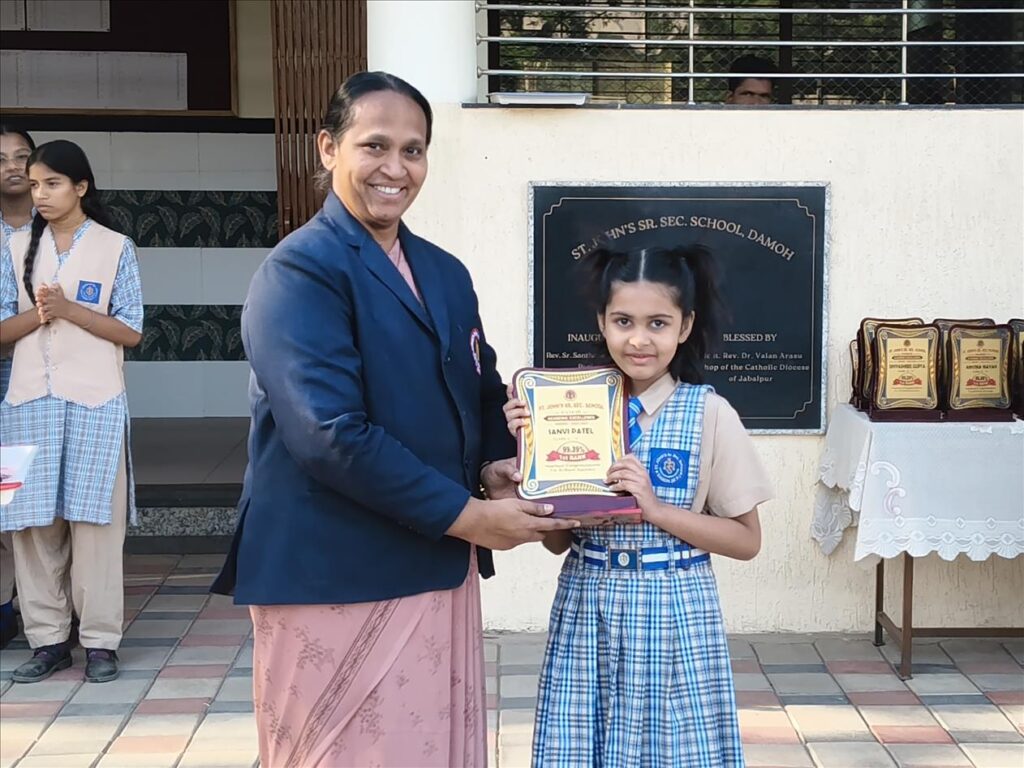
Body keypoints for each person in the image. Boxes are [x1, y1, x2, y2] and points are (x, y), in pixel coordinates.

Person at [210, 70, 576, 767]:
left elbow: (477, 387)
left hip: (433, 561)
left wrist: (497, 465)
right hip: (333, 568)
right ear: (328, 148)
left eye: (413, 150)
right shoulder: (300, 272)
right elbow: (328, 434)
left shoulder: (443, 272)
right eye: (375, 145)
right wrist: (470, 517)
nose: (395, 168)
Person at [504, 244, 774, 767]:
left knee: (670, 750)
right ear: (602, 322)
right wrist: (529, 458)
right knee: (582, 745)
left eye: (658, 323)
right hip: (587, 602)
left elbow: (747, 541)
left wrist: (656, 509)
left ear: (685, 326)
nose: (639, 339)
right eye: (623, 321)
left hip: (674, 609)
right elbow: (558, 542)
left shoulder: (709, 413)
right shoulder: (569, 408)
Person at [0, 139, 143, 684]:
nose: (40, 194)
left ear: (81, 187)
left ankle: (100, 643)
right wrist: (41, 316)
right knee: (31, 528)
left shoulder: (114, 247)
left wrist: (69, 309)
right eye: (35, 184)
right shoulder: (14, 248)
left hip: (96, 404)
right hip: (26, 405)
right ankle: (48, 641)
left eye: (53, 183)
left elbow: (131, 330)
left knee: (95, 527)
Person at [0, 125, 35, 650]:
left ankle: (44, 609)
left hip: (46, 386)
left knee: (31, 501)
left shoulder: (61, 231)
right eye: (1, 157)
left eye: (21, 156)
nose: (12, 166)